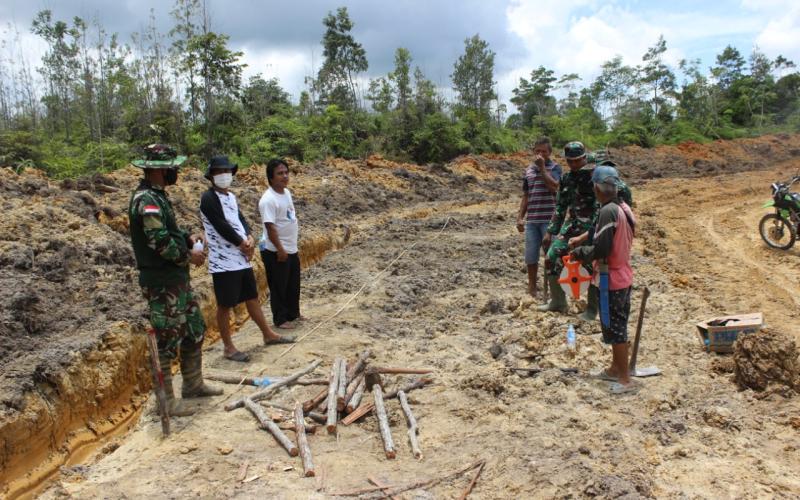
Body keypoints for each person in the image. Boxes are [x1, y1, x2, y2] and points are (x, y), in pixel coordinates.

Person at [129, 144, 222, 417]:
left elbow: (169, 231)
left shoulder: (158, 196)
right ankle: (166, 402)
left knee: (194, 328)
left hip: (176, 280)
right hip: (162, 282)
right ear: (159, 170)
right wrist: (188, 256)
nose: (176, 172)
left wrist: (187, 237)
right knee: (166, 340)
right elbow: (158, 241)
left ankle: (193, 384)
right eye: (173, 168)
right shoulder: (146, 200)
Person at [199, 156, 294, 362]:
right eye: (219, 172)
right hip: (224, 261)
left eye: (227, 171)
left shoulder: (230, 196)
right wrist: (241, 243)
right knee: (225, 305)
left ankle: (268, 334)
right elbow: (221, 225)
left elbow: (239, 219)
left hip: (241, 258)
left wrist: (249, 236)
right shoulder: (208, 198)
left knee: (252, 297)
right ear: (211, 176)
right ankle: (228, 347)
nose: (224, 175)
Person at [570, 165, 637, 394]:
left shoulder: (608, 211)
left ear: (597, 188)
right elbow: (602, 233)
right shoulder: (623, 207)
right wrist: (582, 239)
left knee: (616, 329)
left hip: (612, 277)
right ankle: (615, 368)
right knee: (616, 325)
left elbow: (602, 248)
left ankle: (625, 378)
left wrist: (580, 253)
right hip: (622, 274)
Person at [538, 141, 597, 314]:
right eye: (570, 161)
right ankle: (558, 302)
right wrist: (550, 232)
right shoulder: (566, 179)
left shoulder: (595, 177)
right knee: (551, 257)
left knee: (594, 266)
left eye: (577, 160)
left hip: (592, 228)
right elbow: (560, 207)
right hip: (572, 227)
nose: (574, 164)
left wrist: (590, 234)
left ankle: (594, 308)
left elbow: (601, 207)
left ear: (584, 158)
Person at [259, 158, 302, 329]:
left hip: (290, 247)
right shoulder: (268, 200)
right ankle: (280, 319)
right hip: (275, 250)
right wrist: (280, 249)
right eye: (280, 173)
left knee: (293, 283)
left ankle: (293, 314)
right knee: (279, 285)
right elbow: (270, 227)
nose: (285, 176)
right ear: (271, 178)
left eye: (286, 172)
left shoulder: (286, 193)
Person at [516, 136, 562, 297]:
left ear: (550, 152)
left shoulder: (555, 168)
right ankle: (532, 287)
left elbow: (554, 187)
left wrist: (542, 168)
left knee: (551, 255)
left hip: (550, 220)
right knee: (530, 255)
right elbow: (526, 195)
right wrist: (520, 217)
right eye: (538, 151)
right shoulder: (528, 170)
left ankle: (554, 290)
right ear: (533, 152)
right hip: (532, 221)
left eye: (544, 151)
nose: (540, 154)